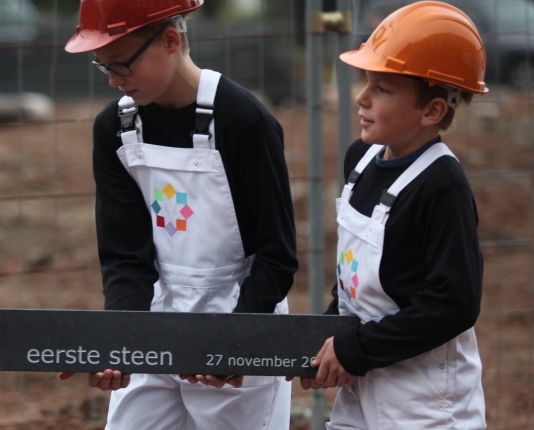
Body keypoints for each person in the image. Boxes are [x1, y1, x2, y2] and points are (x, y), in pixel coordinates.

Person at [58, 1, 298, 428]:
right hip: (153, 318)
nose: (113, 80)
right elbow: (124, 255)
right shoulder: (115, 127)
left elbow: (276, 256)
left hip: (239, 313)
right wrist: (121, 339)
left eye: (122, 64)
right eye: (103, 66)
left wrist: (235, 343)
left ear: (170, 40)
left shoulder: (245, 122)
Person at [293, 2, 487, 429]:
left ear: (432, 111)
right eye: (367, 82)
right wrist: (318, 342)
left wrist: (354, 349)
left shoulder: (442, 187)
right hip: (363, 385)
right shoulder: (360, 160)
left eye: (382, 89)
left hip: (425, 401)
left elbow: (453, 303)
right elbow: (359, 282)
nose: (361, 97)